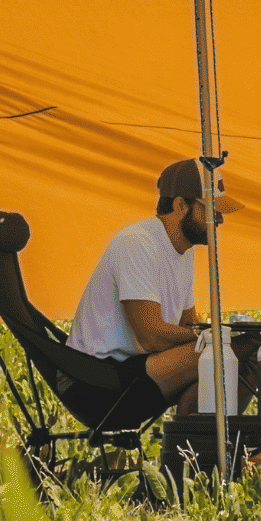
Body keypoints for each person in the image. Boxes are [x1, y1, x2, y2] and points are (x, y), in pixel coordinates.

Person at [67, 158, 231, 427]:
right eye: (213, 210)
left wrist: (213, 334)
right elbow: (152, 337)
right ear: (181, 206)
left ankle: (199, 447)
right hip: (97, 381)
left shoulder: (183, 253)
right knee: (226, 352)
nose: (221, 219)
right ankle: (199, 446)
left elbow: (189, 325)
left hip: (133, 371)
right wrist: (210, 337)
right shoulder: (137, 244)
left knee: (244, 351)